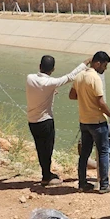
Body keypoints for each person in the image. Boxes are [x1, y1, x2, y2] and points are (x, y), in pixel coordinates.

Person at [26, 55, 88, 185]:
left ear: (39, 66)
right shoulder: (51, 83)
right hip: (45, 121)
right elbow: (71, 77)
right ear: (53, 69)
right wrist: (85, 63)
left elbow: (38, 90)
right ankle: (46, 176)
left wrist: (50, 91)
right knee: (47, 149)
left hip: (32, 121)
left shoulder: (30, 78)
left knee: (40, 148)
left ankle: (46, 173)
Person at [69, 51, 110, 194]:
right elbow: (100, 102)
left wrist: (84, 97)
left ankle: (82, 183)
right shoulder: (95, 78)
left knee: (84, 154)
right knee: (103, 152)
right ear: (97, 63)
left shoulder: (79, 76)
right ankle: (104, 185)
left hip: (84, 121)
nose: (105, 68)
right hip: (97, 121)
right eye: (104, 65)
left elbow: (72, 96)